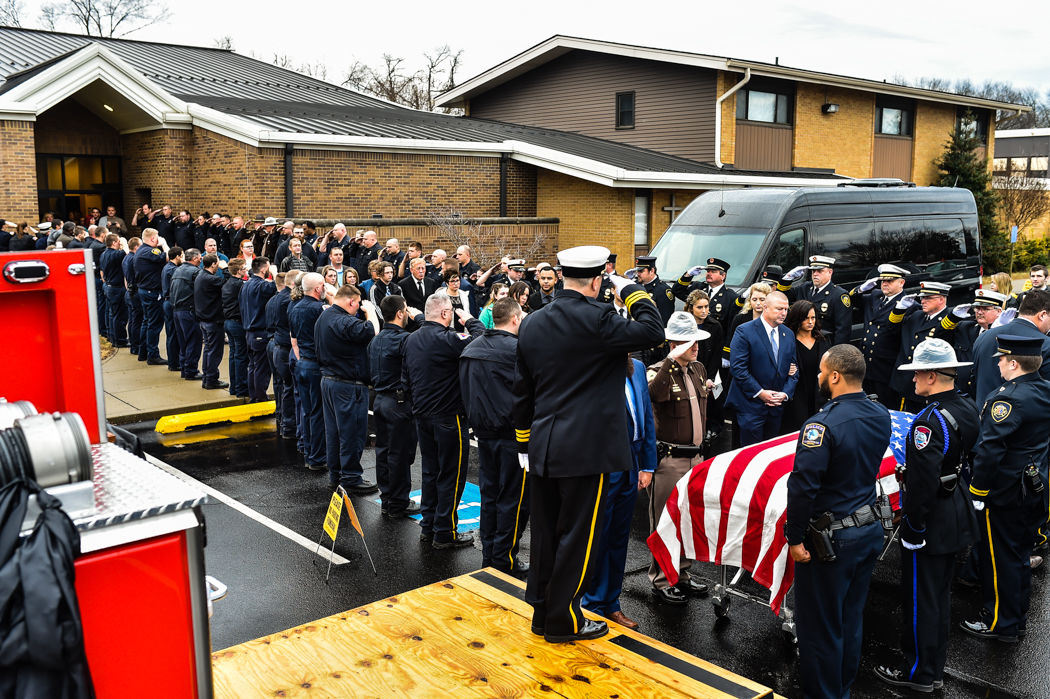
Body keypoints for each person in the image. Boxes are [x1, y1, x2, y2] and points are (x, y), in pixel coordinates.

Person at [512, 245, 664, 643]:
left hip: (544, 445)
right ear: (598, 280)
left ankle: (544, 613)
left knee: (546, 533)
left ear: (562, 276)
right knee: (579, 536)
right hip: (587, 450)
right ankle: (566, 619)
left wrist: (525, 442)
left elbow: (522, 390)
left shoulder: (532, 322)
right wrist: (629, 290)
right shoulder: (600, 318)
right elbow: (652, 329)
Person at [785, 344, 891, 699]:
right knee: (850, 619)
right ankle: (841, 690)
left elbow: (802, 486)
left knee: (819, 627)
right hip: (867, 529)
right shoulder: (880, 414)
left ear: (834, 376)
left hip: (832, 541)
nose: (817, 377)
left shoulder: (821, 425)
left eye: (820, 371)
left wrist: (795, 538)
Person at [873, 339, 979, 692]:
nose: (913, 380)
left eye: (917, 373)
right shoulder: (966, 406)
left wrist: (913, 528)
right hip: (956, 512)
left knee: (921, 602)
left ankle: (918, 673)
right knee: (939, 599)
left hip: (932, 520)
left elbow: (922, 484)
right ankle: (933, 667)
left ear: (932, 376)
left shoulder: (928, 422)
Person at [962, 334, 1050, 643]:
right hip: (1034, 485)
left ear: (1014, 363)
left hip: (1006, 491)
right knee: (1019, 554)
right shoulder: (1044, 390)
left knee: (1000, 558)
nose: (998, 363)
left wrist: (978, 491)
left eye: (1001, 359)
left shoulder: (1008, 398)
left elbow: (990, 450)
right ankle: (1016, 616)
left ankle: (1000, 622)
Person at [579, 350, 658, 630]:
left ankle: (611, 603)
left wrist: (647, 464)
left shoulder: (636, 366)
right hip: (604, 464)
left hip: (632, 462)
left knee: (618, 538)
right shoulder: (594, 366)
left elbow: (646, 417)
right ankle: (591, 603)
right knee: (597, 537)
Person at [403, 293, 484, 549]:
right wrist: (470, 319)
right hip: (448, 417)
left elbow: (405, 379)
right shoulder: (448, 339)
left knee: (430, 472)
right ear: (446, 314)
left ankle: (429, 525)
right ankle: (445, 531)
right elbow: (481, 339)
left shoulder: (411, 339)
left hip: (423, 416)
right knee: (451, 474)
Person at [643, 312, 711, 611]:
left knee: (688, 519)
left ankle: (681, 573)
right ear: (673, 343)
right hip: (670, 459)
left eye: (695, 339)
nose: (694, 346)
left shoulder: (697, 369)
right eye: (687, 341)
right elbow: (653, 396)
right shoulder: (657, 370)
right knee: (664, 522)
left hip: (695, 456)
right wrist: (671, 360)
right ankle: (661, 579)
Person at [460, 298, 530, 576]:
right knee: (514, 499)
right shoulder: (519, 351)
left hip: (484, 433)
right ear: (514, 319)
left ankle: (490, 553)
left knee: (490, 495)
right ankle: (504, 558)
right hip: (514, 436)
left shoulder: (472, 347)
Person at [316, 284, 381, 494]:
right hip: (347, 385)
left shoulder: (324, 318)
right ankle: (351, 477)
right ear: (351, 301)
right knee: (352, 432)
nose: (357, 309)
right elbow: (372, 331)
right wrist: (370, 311)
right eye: (357, 305)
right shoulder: (343, 320)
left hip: (329, 381)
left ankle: (337, 473)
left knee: (334, 432)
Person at [369, 295, 423, 518]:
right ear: (401, 313)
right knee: (400, 454)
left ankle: (387, 498)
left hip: (380, 400)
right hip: (398, 402)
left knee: (383, 451)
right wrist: (418, 317)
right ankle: (398, 502)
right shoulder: (404, 339)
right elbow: (426, 336)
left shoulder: (376, 339)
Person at [724, 290, 797, 446]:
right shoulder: (745, 331)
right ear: (765, 307)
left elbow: (793, 369)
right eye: (779, 309)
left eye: (786, 309)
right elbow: (738, 368)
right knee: (749, 455)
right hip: (750, 406)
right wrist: (760, 393)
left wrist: (784, 394)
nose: (783, 313)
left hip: (776, 407)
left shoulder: (788, 334)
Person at [890, 282, 965, 412]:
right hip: (905, 381)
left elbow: (942, 335)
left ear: (941, 299)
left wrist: (953, 318)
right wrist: (899, 309)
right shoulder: (916, 316)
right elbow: (891, 331)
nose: (923, 301)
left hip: (928, 383)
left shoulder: (950, 320)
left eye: (928, 298)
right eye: (922, 298)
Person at [851, 264, 916, 408]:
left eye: (890, 281)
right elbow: (851, 301)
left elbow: (897, 331)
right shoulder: (875, 296)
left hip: (886, 368)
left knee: (885, 406)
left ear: (901, 282)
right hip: (867, 364)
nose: (885, 284)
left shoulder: (909, 305)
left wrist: (899, 311)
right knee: (865, 405)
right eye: (883, 281)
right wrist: (860, 289)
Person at [971, 289, 1050, 404]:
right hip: (1026, 417)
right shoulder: (1045, 343)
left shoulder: (984, 337)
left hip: (985, 414)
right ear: (1042, 315)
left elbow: (974, 381)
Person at [289, 273, 328, 472]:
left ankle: (307, 448)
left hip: (301, 362)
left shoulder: (294, 307)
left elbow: (293, 339)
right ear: (319, 288)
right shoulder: (319, 309)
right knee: (318, 413)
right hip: (314, 365)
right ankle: (318, 457)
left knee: (308, 410)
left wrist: (299, 359)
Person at [776, 255, 852, 345]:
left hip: (822, 345)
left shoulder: (838, 295)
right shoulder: (805, 287)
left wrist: (836, 355)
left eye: (820, 271)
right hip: (799, 342)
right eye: (813, 271)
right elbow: (781, 296)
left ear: (830, 272)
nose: (815, 274)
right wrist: (787, 278)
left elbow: (843, 331)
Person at [780, 300, 828, 433]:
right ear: (797, 319)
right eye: (806, 318)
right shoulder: (787, 340)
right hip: (797, 396)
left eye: (813, 318)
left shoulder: (823, 339)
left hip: (818, 395)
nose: (810, 322)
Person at [954, 289, 1007, 398]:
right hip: (964, 393)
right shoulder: (965, 328)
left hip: (990, 393)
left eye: (986, 309)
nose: (979, 312)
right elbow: (939, 335)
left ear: (999, 312)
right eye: (977, 308)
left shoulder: (1005, 334)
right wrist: (952, 317)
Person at [240, 257, 277, 403]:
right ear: (263, 269)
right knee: (261, 367)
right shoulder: (261, 286)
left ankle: (254, 395)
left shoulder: (246, 285)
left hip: (249, 331)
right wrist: (274, 273)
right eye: (268, 267)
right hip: (260, 331)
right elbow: (278, 286)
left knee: (253, 365)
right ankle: (260, 397)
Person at [672, 257, 739, 332]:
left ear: (723, 276)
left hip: (714, 339)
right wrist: (688, 275)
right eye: (708, 271)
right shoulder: (698, 288)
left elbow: (731, 325)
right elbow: (677, 291)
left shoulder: (730, 297)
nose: (709, 274)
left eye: (713, 272)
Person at [268, 271, 298, 438]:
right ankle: (288, 425)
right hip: (285, 347)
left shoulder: (276, 298)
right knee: (289, 387)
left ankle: (283, 419)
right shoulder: (288, 300)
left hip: (276, 344)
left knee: (282, 385)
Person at [133, 229, 169, 365]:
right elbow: (168, 257)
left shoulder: (141, 250)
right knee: (154, 324)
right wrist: (164, 244)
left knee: (147, 322)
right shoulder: (150, 251)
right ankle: (152, 355)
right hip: (152, 292)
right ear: (153, 238)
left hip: (144, 290)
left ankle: (143, 352)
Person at [194, 254, 228, 390]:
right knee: (215, 351)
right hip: (213, 321)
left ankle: (207, 378)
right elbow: (227, 281)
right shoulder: (210, 279)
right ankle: (211, 379)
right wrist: (225, 268)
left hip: (204, 319)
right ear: (214, 264)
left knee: (208, 350)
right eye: (217, 264)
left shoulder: (201, 276)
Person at [169, 249, 203, 380]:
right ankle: (191, 370)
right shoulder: (195, 272)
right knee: (193, 342)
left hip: (177, 310)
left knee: (183, 342)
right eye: (199, 258)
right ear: (194, 259)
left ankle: (184, 368)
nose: (201, 260)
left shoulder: (177, 270)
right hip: (189, 310)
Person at [222, 258, 249, 398]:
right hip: (237, 323)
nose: (246, 270)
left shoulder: (227, 283)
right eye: (244, 269)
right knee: (240, 356)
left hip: (228, 322)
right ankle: (241, 388)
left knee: (234, 355)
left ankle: (234, 387)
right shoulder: (240, 285)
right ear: (239, 271)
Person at [99, 233, 129, 347]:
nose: (119, 243)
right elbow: (127, 252)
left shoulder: (104, 254)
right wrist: (124, 243)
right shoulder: (116, 254)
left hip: (108, 286)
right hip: (116, 288)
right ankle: (120, 340)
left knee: (112, 314)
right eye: (117, 242)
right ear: (113, 243)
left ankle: (113, 338)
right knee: (119, 315)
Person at [161, 246, 184, 372]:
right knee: (174, 334)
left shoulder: (167, 267)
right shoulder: (173, 270)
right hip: (171, 302)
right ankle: (175, 362)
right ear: (177, 256)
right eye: (182, 255)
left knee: (171, 333)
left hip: (167, 301)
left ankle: (173, 361)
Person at [123, 237, 143, 358]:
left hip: (129, 291)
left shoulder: (126, 258)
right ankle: (135, 345)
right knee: (136, 320)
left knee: (132, 320)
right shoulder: (133, 259)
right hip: (134, 292)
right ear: (136, 247)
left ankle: (133, 343)